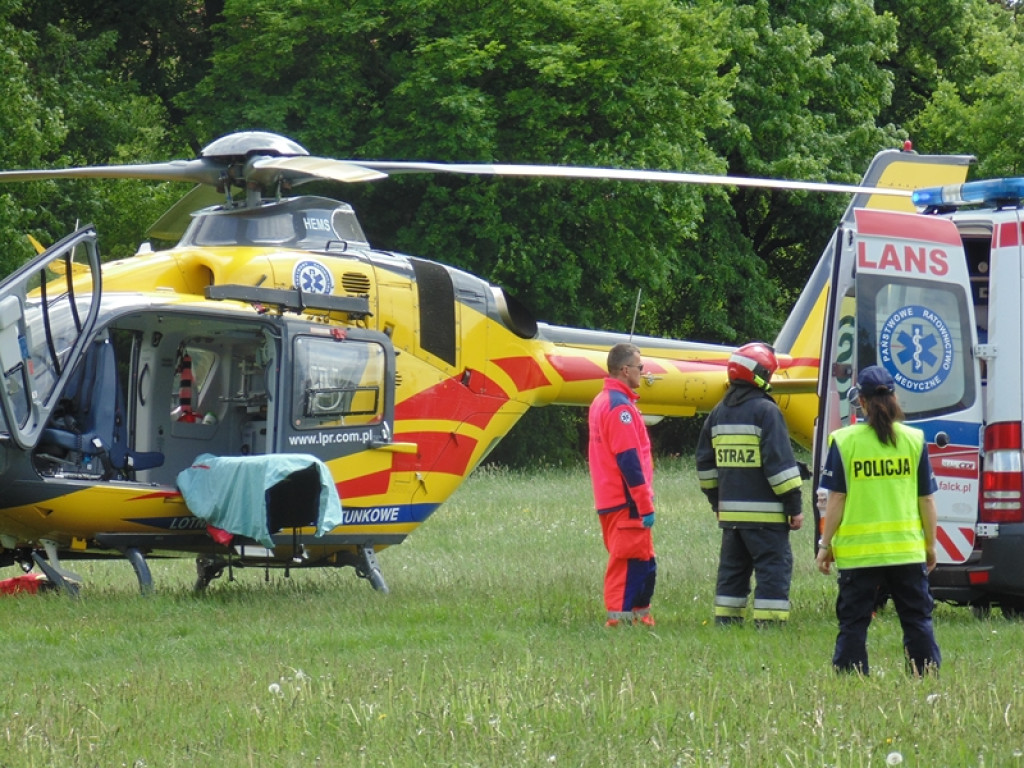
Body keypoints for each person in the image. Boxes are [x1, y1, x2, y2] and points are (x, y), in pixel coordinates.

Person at [816, 365, 941, 676]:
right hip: (906, 552)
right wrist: (930, 545)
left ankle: (851, 677)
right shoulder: (914, 440)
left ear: (861, 401)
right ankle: (925, 675)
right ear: (895, 397)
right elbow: (926, 499)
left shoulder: (844, 442)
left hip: (859, 555)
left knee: (854, 622)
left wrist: (825, 545)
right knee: (916, 620)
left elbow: (837, 500)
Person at [696, 341, 804, 625]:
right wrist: (795, 506)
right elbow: (779, 467)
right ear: (760, 376)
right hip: (766, 516)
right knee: (773, 568)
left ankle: (727, 622)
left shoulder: (717, 413)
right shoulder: (766, 412)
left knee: (732, 571)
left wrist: (716, 502)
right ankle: (769, 625)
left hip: (731, 516)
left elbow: (705, 467)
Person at [587, 342, 657, 627]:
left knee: (643, 561)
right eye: (640, 367)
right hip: (626, 501)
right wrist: (644, 504)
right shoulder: (620, 409)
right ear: (625, 370)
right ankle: (618, 621)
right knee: (628, 562)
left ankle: (640, 617)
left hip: (610, 500)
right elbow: (629, 461)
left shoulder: (602, 401)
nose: (643, 372)